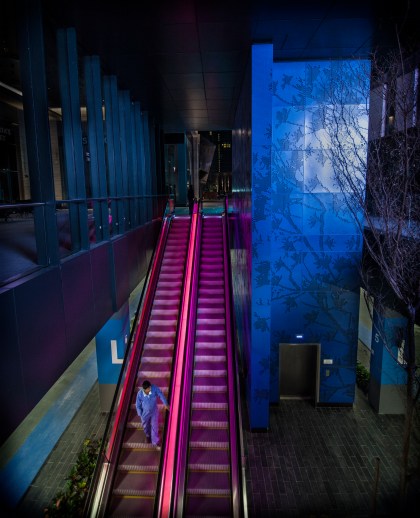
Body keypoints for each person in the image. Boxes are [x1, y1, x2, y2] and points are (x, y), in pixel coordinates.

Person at [136, 380, 170, 449]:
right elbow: (138, 405)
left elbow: (160, 395)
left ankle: (155, 441)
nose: (150, 389)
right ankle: (148, 435)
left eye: (150, 387)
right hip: (145, 413)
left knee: (155, 426)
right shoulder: (140, 394)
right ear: (144, 389)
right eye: (148, 389)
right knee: (146, 426)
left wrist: (166, 404)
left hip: (154, 411)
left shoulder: (154, 388)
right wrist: (140, 414)